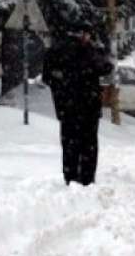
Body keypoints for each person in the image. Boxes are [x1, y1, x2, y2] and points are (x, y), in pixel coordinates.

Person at [42, 22, 113, 186]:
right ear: (82, 34)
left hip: (66, 108)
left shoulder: (55, 51)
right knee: (88, 144)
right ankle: (87, 178)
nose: (89, 38)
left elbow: (47, 76)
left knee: (69, 144)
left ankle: (70, 177)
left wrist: (61, 85)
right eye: (88, 35)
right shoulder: (89, 51)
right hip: (88, 106)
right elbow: (105, 67)